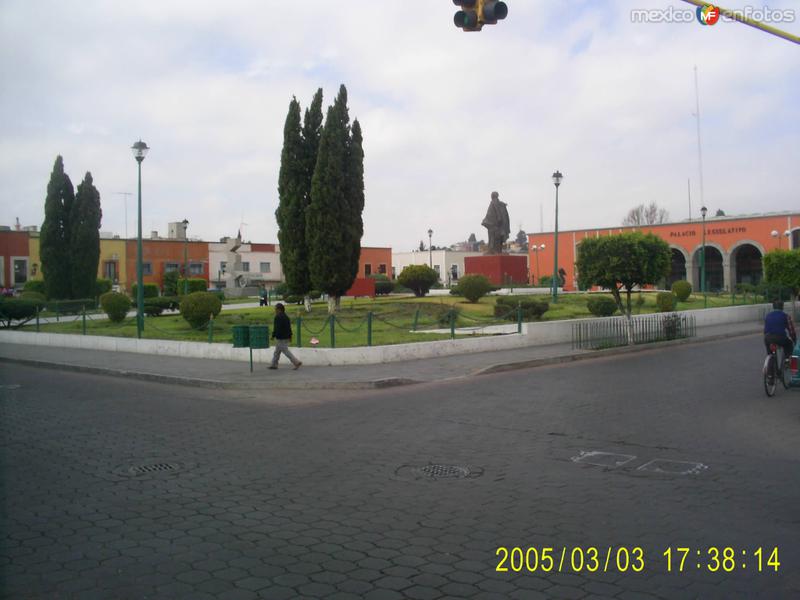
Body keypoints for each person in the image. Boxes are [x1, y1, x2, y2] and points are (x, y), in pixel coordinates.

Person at [763, 300, 796, 367]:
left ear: (773, 307)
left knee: (770, 352)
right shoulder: (786, 316)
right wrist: (794, 339)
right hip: (780, 338)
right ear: (782, 307)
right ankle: (787, 359)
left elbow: (765, 330)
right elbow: (791, 330)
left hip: (768, 337)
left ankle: (770, 358)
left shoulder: (768, 316)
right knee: (789, 344)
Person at [269, 303, 302, 370]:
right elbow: (289, 328)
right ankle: (274, 364)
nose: (275, 310)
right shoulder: (286, 317)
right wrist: (290, 336)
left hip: (280, 337)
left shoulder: (277, 317)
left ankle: (296, 362)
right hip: (286, 337)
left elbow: (276, 328)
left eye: (276, 309)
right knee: (277, 352)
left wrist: (273, 335)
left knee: (285, 351)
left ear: (279, 309)